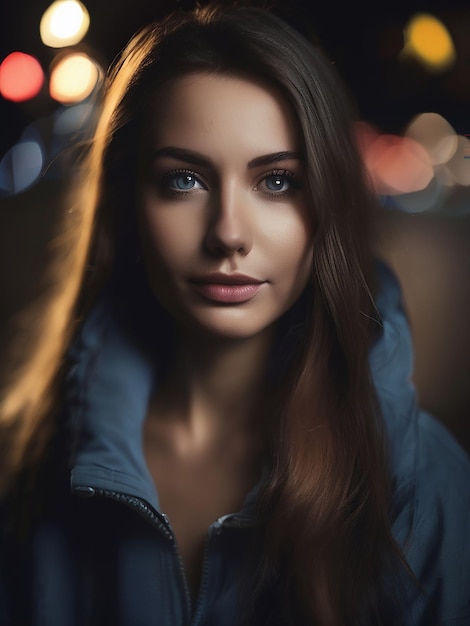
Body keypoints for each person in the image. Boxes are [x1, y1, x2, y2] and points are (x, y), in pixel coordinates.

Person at [1, 3, 469, 625]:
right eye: (184, 181)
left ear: (327, 204)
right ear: (126, 205)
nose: (227, 234)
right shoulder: (27, 461)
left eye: (276, 182)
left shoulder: (424, 487)